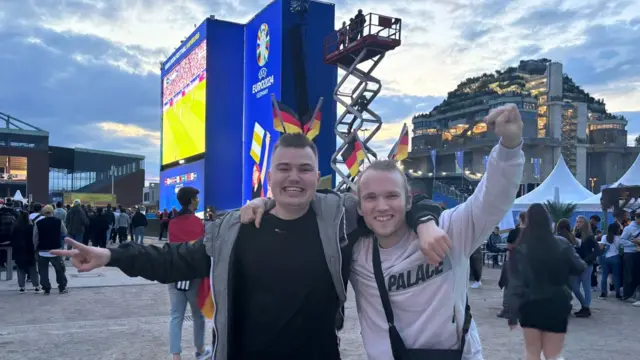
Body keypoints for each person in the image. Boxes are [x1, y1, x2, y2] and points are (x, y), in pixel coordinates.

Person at [52, 133, 439, 360]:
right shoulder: (235, 228)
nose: (294, 177)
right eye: (284, 168)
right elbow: (177, 260)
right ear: (268, 176)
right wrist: (112, 255)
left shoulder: (341, 217)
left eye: (304, 169)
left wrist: (425, 223)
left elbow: (399, 199)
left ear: (316, 176)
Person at [243, 102, 525, 360]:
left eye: (391, 196)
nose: (382, 207)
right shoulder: (354, 252)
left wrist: (510, 147)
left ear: (408, 200)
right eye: (371, 198)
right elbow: (307, 205)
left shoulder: (449, 230)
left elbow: (492, 200)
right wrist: (267, 203)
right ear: (360, 207)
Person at [507, 204, 586, 360]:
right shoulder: (562, 243)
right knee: (553, 354)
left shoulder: (521, 248)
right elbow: (580, 267)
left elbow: (515, 283)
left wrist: (512, 314)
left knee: (531, 352)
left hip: (529, 304)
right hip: (557, 302)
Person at [166, 186, 211, 360]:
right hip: (194, 274)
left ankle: (176, 355)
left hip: (175, 273)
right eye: (196, 198)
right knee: (197, 314)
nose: (198, 200)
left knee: (176, 315)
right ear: (192, 200)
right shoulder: (198, 223)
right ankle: (200, 349)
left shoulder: (173, 222)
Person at [497, 212, 526, 319]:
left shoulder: (514, 232)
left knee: (509, 287)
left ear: (519, 219)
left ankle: (507, 310)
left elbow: (509, 247)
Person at [34, 205, 69, 294]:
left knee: (43, 271)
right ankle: (62, 287)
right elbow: (64, 232)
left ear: (43, 213)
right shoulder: (58, 222)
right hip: (56, 250)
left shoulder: (38, 223)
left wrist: (35, 248)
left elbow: (35, 237)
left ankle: (46, 288)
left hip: (42, 251)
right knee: (60, 270)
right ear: (52, 212)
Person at [571, 215, 598, 318]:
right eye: (577, 222)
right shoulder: (573, 235)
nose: (578, 224)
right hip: (576, 265)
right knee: (575, 287)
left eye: (580, 222)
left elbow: (597, 250)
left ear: (585, 224)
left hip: (586, 265)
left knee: (586, 287)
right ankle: (584, 306)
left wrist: (587, 259)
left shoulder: (590, 236)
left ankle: (586, 307)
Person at [10, 207, 40, 293]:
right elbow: (35, 238)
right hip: (29, 250)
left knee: (21, 269)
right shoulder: (31, 227)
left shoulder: (15, 228)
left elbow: (12, 239)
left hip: (19, 251)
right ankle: (36, 286)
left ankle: (22, 287)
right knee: (33, 268)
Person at [619, 211, 640, 304]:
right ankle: (627, 295)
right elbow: (621, 240)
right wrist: (633, 243)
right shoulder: (628, 228)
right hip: (629, 254)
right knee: (628, 275)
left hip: (638, 253)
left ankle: (633, 294)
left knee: (636, 274)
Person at [598, 222, 622, 299]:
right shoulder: (618, 238)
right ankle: (618, 294)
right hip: (616, 258)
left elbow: (601, 248)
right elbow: (620, 249)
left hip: (606, 258)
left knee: (604, 275)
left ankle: (603, 293)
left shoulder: (604, 237)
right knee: (616, 276)